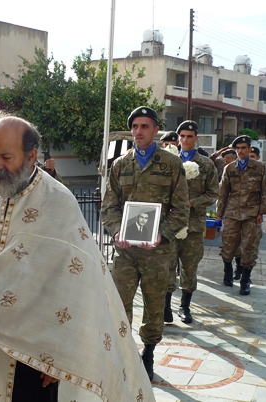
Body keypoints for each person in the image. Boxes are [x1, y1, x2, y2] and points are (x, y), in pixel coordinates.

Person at [0, 112, 155, 402]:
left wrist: (60, 356)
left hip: (34, 350)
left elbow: (79, 286)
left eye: (6, 158)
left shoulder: (58, 202)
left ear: (32, 155)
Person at [102, 106, 189, 380]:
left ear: (155, 130)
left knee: (154, 307)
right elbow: (109, 207)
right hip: (126, 252)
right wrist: (117, 232)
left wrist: (161, 235)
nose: (139, 131)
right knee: (119, 304)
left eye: (145, 126)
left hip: (157, 253)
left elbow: (181, 209)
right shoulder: (120, 164)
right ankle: (123, 352)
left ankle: (148, 353)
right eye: (135, 127)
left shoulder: (171, 164)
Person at [165, 120, 218, 325]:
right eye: (182, 136)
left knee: (189, 267)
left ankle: (185, 306)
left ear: (196, 138)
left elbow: (213, 193)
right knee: (168, 266)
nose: (185, 140)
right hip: (170, 225)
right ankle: (166, 307)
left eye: (189, 136)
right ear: (178, 139)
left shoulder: (206, 164)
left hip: (193, 225)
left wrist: (192, 203)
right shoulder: (169, 161)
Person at [217, 135, 266, 295]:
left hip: (251, 213)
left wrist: (262, 212)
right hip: (232, 212)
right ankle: (228, 270)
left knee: (249, 247)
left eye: (243, 148)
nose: (240, 151)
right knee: (228, 244)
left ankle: (244, 280)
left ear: (249, 149)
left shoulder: (259, 167)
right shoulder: (230, 168)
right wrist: (220, 214)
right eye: (238, 148)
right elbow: (223, 192)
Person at [232, 146, 266, 281]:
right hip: (236, 215)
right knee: (237, 245)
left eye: (252, 157)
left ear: (257, 158)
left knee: (250, 246)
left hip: (253, 215)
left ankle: (247, 274)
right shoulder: (235, 171)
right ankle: (238, 268)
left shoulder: (263, 175)